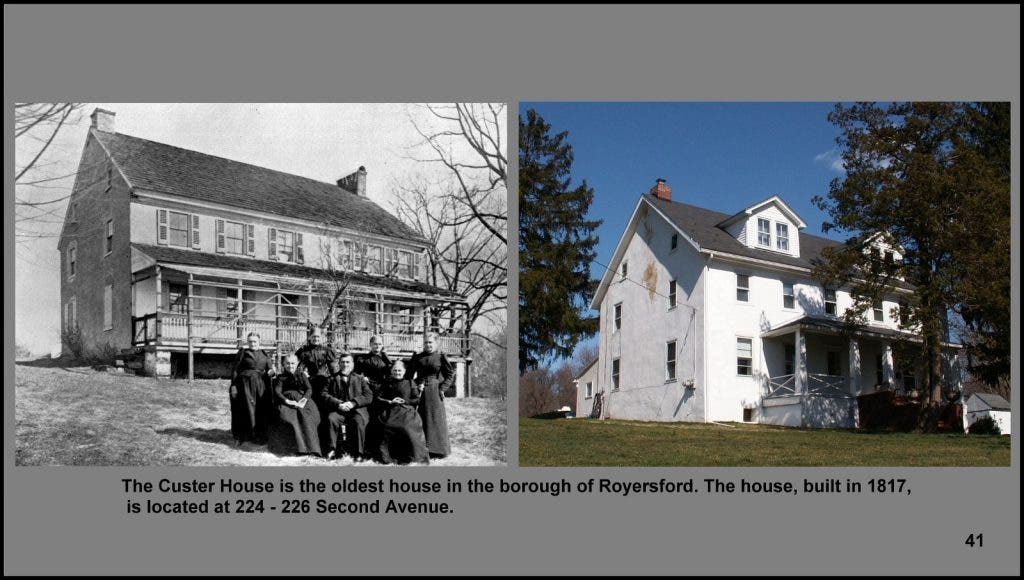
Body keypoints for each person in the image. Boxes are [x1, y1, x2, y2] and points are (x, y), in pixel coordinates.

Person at [405, 332, 452, 458]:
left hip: (435, 391)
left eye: (430, 342)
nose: (428, 345)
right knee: (420, 418)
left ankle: (438, 450)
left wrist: (443, 388)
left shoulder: (441, 356)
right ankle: (422, 448)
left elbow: (449, 375)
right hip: (420, 390)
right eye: (426, 342)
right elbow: (408, 375)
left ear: (436, 343)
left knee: (435, 419)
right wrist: (415, 386)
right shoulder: (418, 357)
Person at [318, 354, 373, 461]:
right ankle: (332, 450)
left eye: (348, 362)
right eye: (342, 362)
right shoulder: (331, 378)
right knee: (331, 419)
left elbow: (368, 396)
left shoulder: (360, 379)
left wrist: (353, 403)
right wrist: (339, 404)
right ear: (339, 364)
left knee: (359, 421)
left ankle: (359, 453)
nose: (345, 364)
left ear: (352, 364)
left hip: (356, 410)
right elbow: (323, 394)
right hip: (338, 410)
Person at [373, 359, 429, 465]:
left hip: (407, 411)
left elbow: (417, 399)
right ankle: (389, 456)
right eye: (395, 370)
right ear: (391, 371)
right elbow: (378, 398)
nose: (397, 373)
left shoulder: (410, 382)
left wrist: (406, 401)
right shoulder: (387, 382)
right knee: (387, 426)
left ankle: (413, 456)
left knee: (407, 427)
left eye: (399, 370)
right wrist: (390, 401)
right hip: (390, 410)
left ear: (404, 371)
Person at [229, 332, 275, 447]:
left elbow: (270, 369)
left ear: (259, 342)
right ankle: (242, 437)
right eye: (250, 341)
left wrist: (271, 372)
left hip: (260, 386)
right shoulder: (242, 353)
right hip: (244, 385)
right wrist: (233, 386)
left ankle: (258, 436)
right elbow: (235, 370)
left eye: (255, 341)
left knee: (260, 410)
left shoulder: (265, 354)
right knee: (244, 409)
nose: (252, 344)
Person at [273, 354, 322, 457]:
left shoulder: (302, 375)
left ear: (297, 364)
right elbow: (277, 391)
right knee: (291, 419)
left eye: (292, 363)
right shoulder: (281, 377)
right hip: (288, 402)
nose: (290, 366)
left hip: (302, 400)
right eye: (287, 363)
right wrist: (287, 401)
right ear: (283, 364)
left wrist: (304, 400)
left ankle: (313, 449)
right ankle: (300, 449)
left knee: (308, 418)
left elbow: (309, 389)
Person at [294, 327, 336, 394]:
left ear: (321, 337)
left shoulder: (326, 350)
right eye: (314, 336)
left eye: (318, 336)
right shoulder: (304, 350)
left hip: (323, 381)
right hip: (309, 381)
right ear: (310, 337)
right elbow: (295, 365)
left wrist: (335, 380)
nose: (316, 339)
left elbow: (332, 368)